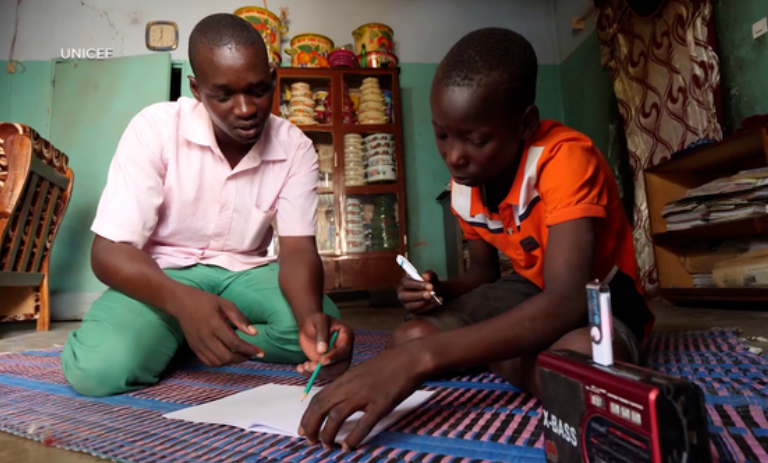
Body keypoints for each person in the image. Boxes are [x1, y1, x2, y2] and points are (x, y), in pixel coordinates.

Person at [298, 27, 655, 450]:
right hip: (527, 291)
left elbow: (566, 300)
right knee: (408, 337)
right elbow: (484, 274)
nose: (454, 156)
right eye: (442, 135)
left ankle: (499, 349)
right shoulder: (464, 185)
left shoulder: (565, 160)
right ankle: (506, 347)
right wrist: (438, 290)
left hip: (597, 296)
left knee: (573, 371)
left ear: (525, 123)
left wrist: (423, 360)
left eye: (476, 139)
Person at [61, 13, 353, 397]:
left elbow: (298, 251)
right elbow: (108, 252)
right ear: (197, 89)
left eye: (258, 89)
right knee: (98, 371)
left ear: (273, 80)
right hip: (165, 275)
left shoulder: (294, 145)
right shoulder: (155, 129)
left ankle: (192, 336)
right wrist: (184, 304)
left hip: (245, 274)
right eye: (224, 95)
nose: (246, 108)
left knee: (326, 335)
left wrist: (309, 320)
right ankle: (187, 327)